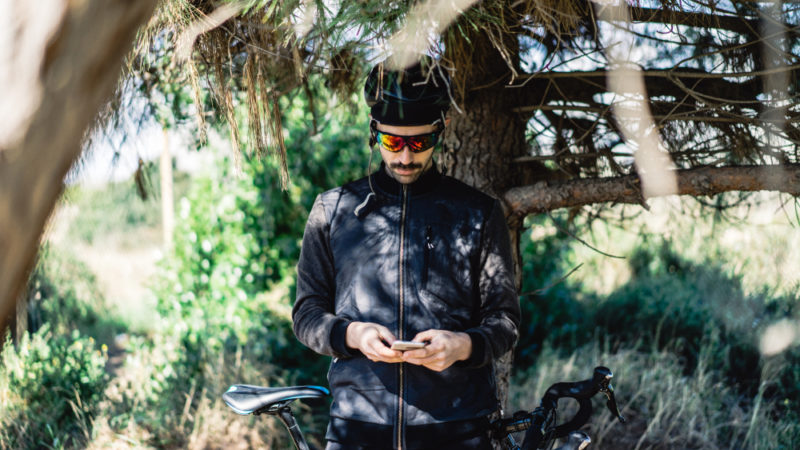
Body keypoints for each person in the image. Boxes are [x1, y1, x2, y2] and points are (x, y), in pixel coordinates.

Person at [292, 58, 520, 450]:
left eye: (419, 143)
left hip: (457, 427)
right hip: (357, 427)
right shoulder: (333, 210)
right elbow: (306, 314)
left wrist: (462, 346)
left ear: (441, 128)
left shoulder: (478, 212)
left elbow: (506, 321)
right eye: (392, 142)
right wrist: (353, 334)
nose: (405, 157)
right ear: (374, 131)